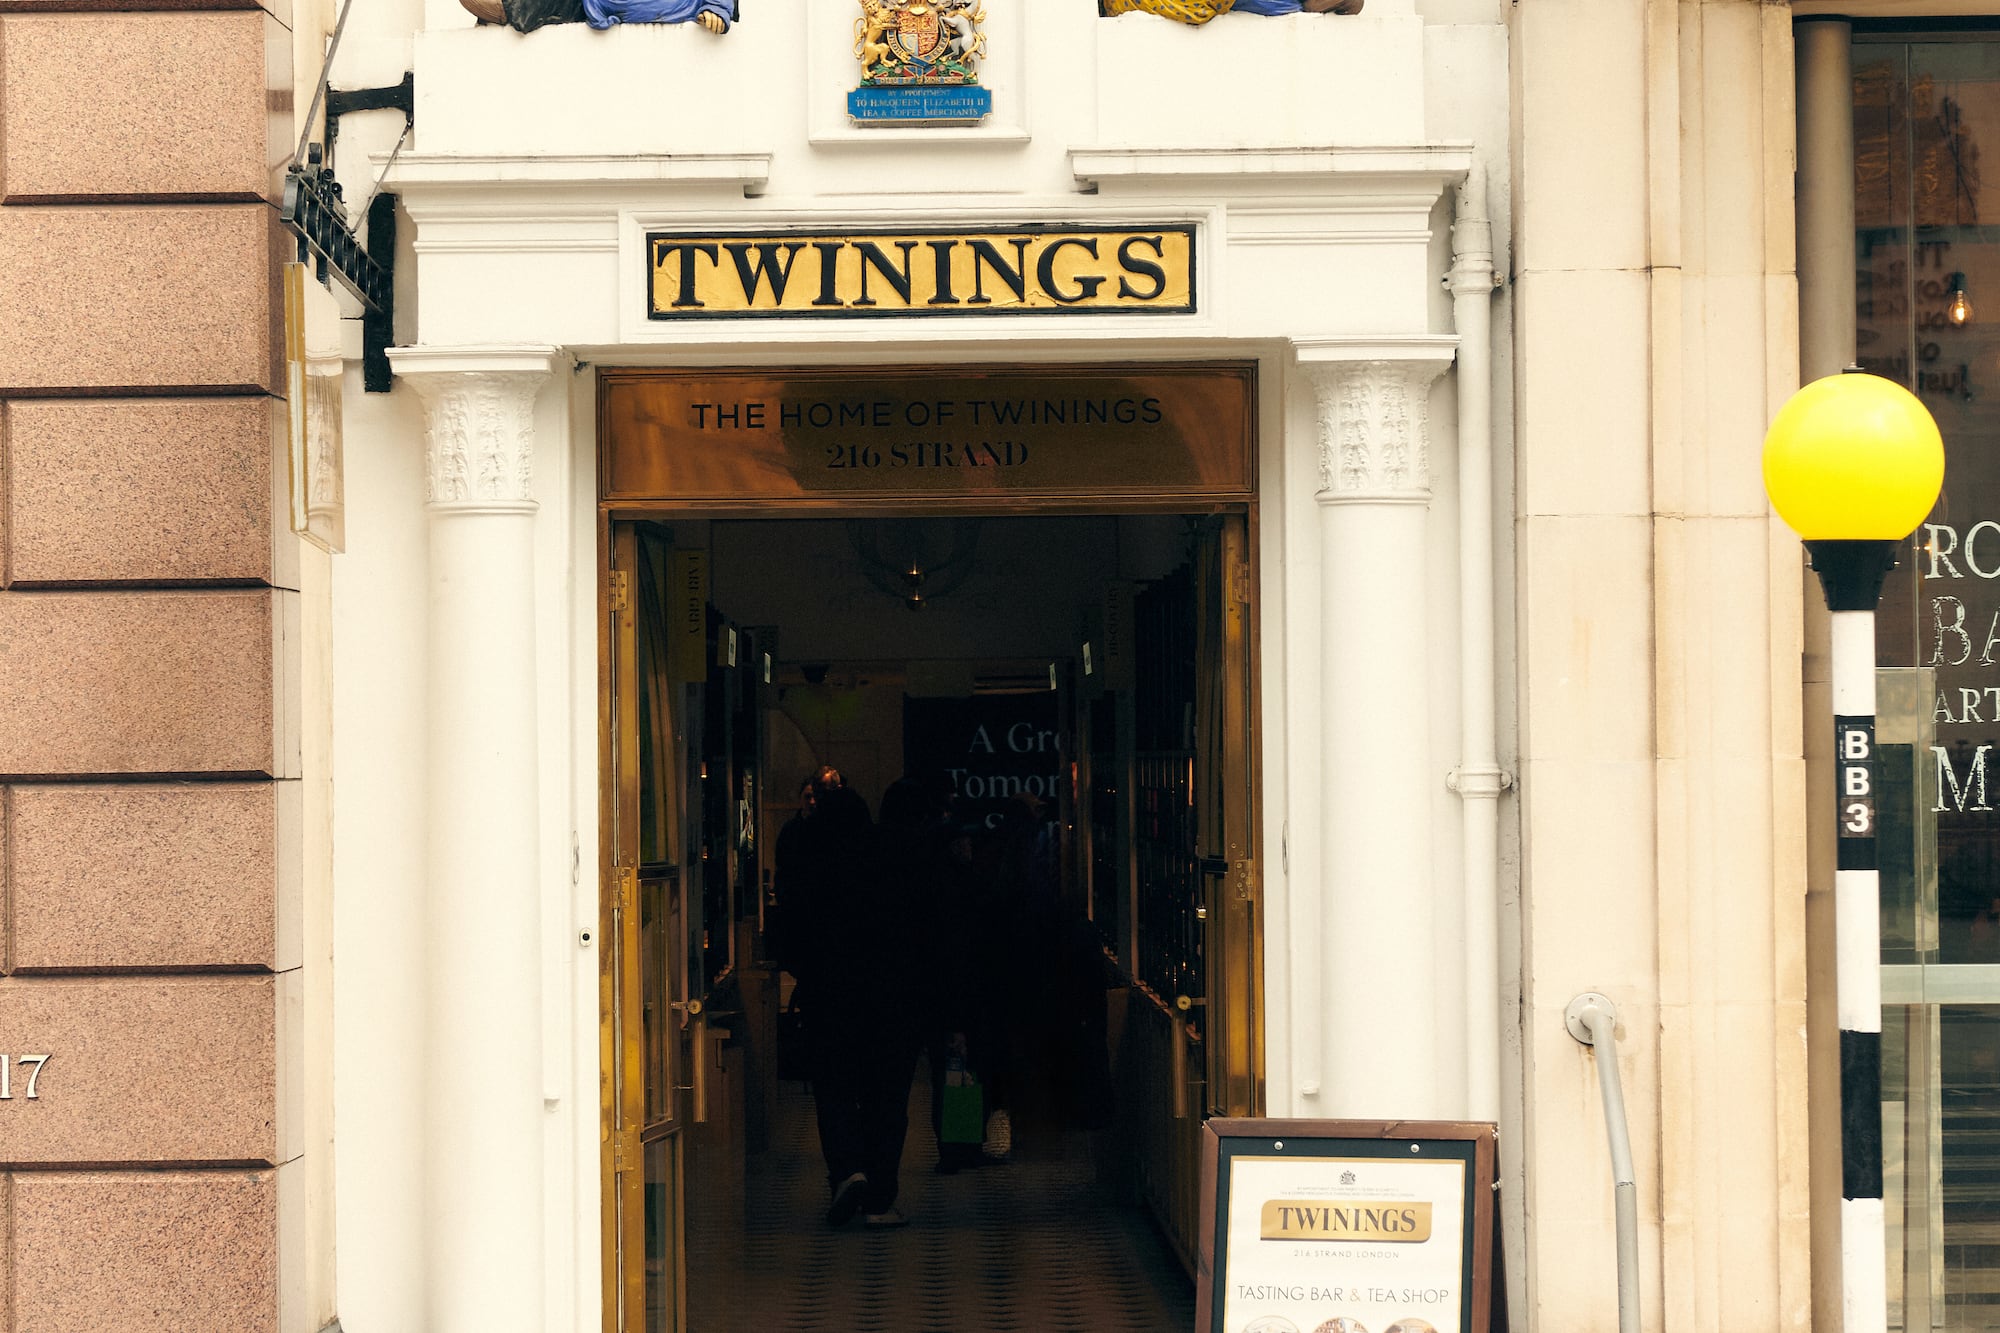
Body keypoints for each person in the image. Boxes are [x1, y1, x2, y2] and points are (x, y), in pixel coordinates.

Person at [795, 783, 927, 1228]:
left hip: (829, 1000)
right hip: (893, 1000)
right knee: (886, 1099)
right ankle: (879, 1197)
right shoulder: (893, 856)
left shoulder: (812, 862)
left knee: (834, 1093)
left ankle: (847, 1171)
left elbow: (792, 934)